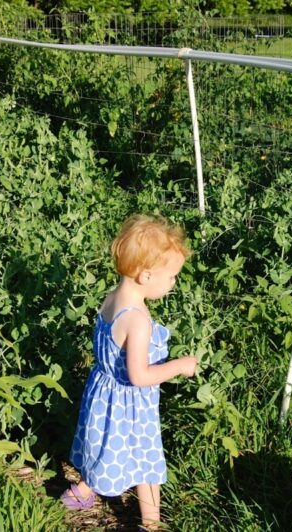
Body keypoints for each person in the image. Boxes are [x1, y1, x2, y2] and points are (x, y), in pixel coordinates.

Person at [62, 214, 198, 530]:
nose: (173, 282)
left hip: (104, 395)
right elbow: (139, 376)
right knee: (145, 463)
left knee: (106, 446)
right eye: (172, 276)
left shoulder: (112, 298)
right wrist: (179, 366)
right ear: (146, 276)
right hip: (131, 406)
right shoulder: (137, 320)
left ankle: (82, 491)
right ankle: (151, 524)